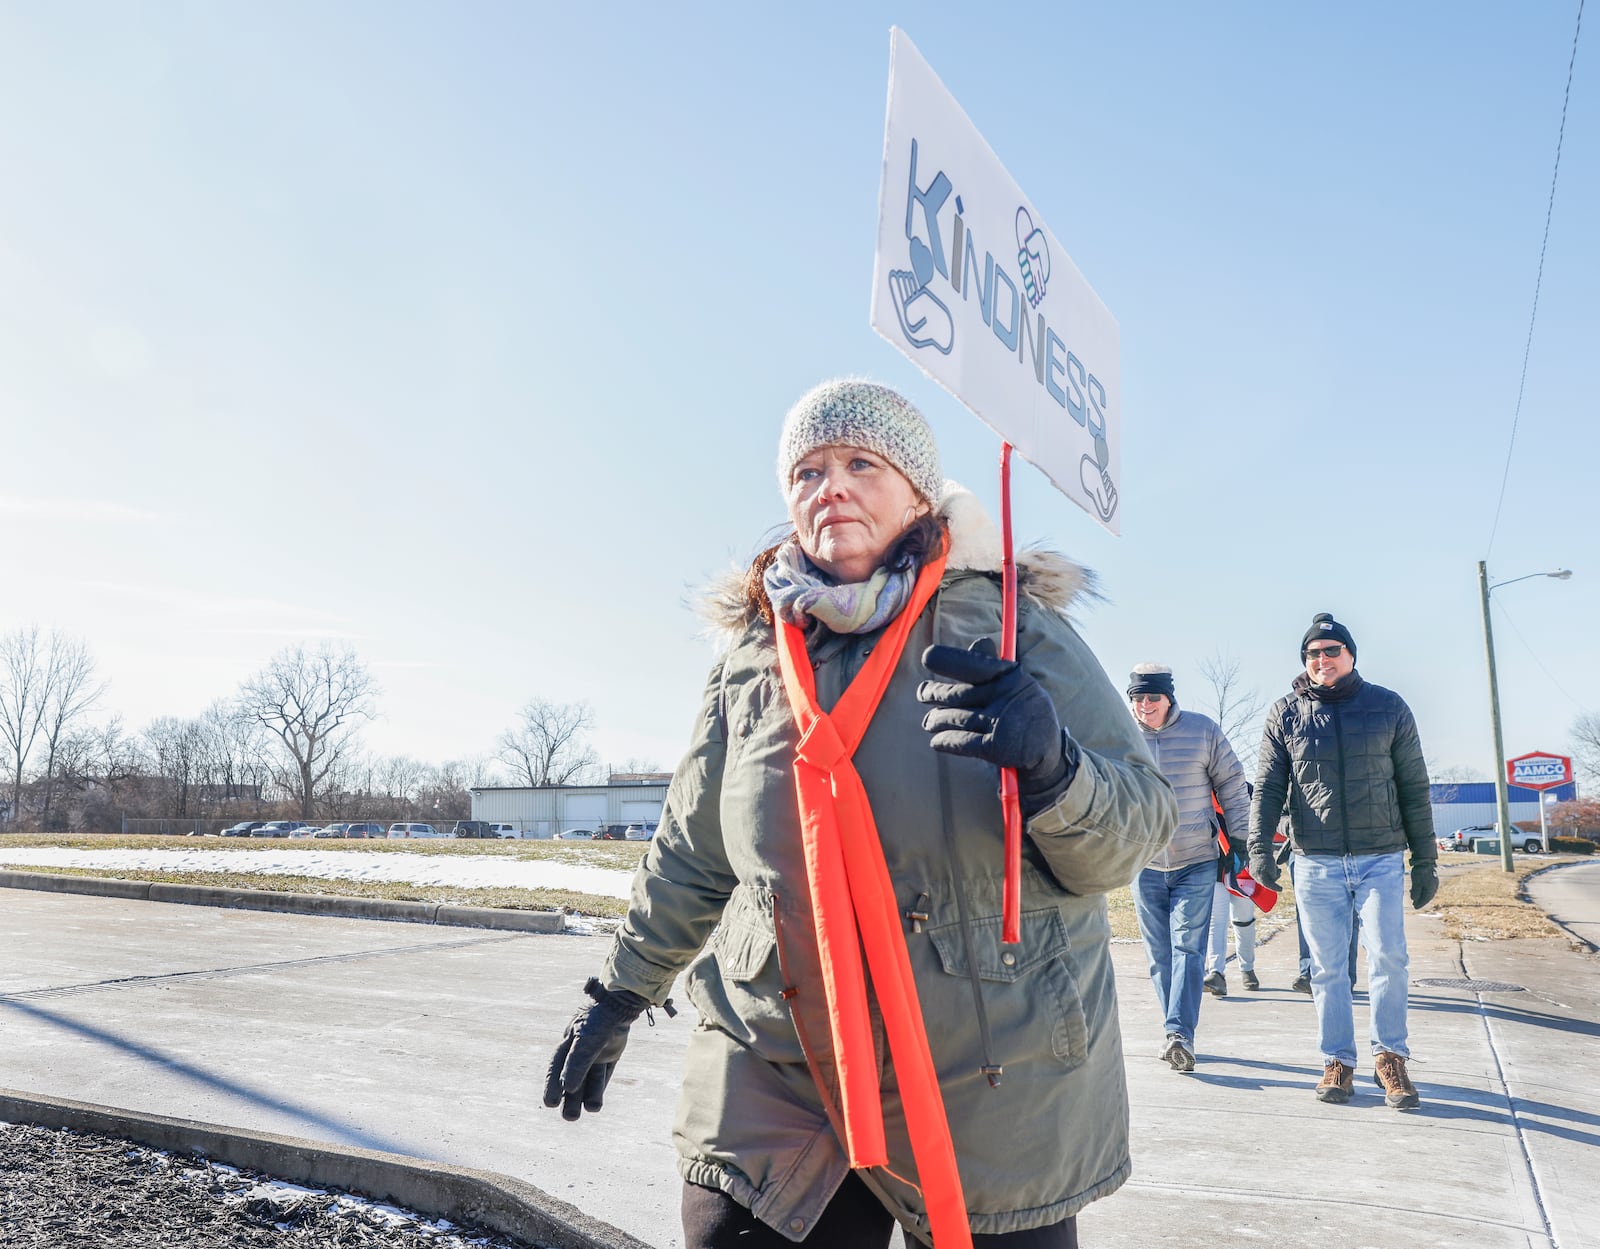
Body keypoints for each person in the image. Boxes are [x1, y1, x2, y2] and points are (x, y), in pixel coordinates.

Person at [541, 379, 1177, 1248]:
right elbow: (693, 850)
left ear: (919, 493)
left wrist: (1057, 770)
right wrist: (617, 990)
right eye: (806, 471)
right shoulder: (756, 654)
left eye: (859, 463)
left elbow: (1137, 828)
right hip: (782, 1051)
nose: (828, 486)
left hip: (988, 1063)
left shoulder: (1012, 626)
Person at [1247, 612, 1438, 1110]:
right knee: (1328, 969)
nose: (1322, 660)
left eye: (1332, 651)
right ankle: (1337, 1061)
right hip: (1316, 861)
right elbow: (1267, 788)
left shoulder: (1388, 707)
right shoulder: (1285, 713)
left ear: (1351, 655)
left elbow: (1415, 789)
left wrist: (1425, 860)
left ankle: (1390, 1058)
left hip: (1380, 857)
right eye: (1313, 653)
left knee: (1388, 958)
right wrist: (1259, 849)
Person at [1127, 663, 1250, 1072]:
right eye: (1138, 698)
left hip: (1195, 858)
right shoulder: (1119, 734)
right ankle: (1173, 1030)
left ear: (1169, 697)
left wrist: (1240, 839)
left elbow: (1232, 782)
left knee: (1187, 947)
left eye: (1152, 697)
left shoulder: (1202, 730)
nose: (1145, 706)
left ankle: (1180, 1033)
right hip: (1143, 862)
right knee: (1159, 954)